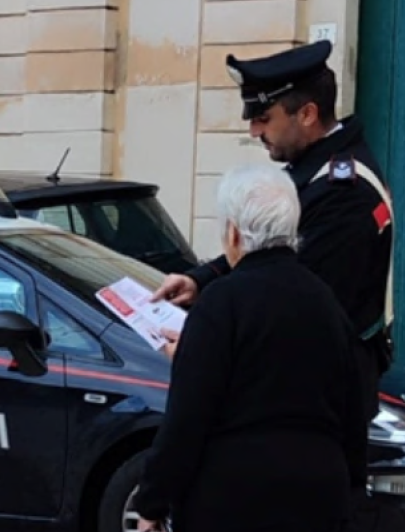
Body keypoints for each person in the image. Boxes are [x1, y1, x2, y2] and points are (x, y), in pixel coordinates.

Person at [154, 40, 394, 423]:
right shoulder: (316, 174)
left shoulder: (341, 192)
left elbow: (289, 304)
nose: (254, 131)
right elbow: (268, 253)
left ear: (307, 114)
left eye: (264, 118)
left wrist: (206, 350)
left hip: (318, 395)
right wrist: (200, 280)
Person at [133, 164, 369, 532]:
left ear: (233, 233)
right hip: (318, 492)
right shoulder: (326, 301)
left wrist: (152, 502)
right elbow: (354, 407)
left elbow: (187, 419)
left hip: (233, 495)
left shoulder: (221, 301)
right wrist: (351, 489)